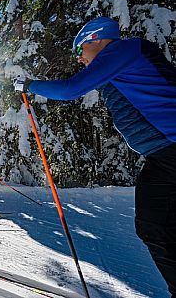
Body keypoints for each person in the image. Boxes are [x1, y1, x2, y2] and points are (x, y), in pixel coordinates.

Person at [14, 16, 176, 297]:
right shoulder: (118, 64)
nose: (78, 59)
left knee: (155, 225)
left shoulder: (123, 50)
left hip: (171, 150)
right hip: (163, 155)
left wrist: (29, 85)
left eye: (80, 51)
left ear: (97, 39)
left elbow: (69, 89)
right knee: (154, 225)